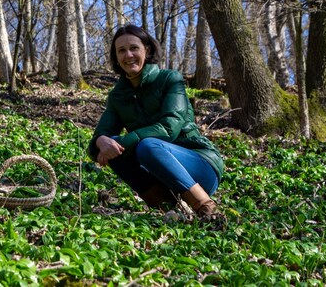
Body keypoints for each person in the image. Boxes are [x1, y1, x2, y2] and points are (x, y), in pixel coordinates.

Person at [87, 24, 224, 218]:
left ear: (147, 50)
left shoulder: (170, 79)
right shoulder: (118, 96)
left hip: (200, 167)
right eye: (121, 50)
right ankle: (168, 208)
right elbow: (97, 144)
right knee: (114, 151)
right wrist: (101, 142)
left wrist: (127, 140)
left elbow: (170, 127)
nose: (128, 55)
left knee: (146, 146)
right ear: (116, 57)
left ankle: (205, 207)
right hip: (163, 178)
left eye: (134, 48)